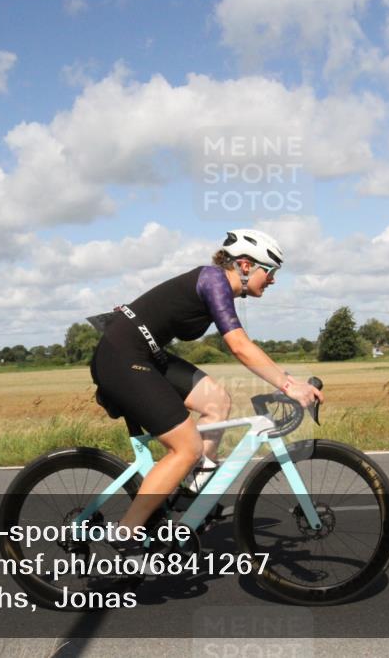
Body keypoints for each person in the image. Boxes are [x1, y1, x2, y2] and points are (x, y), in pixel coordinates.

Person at [89, 229, 324, 557]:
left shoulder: (218, 285)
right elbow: (239, 346)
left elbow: (244, 347)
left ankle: (191, 492)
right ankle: (126, 533)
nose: (273, 279)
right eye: (270, 271)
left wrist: (288, 379)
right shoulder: (214, 281)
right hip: (121, 357)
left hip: (145, 354)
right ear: (245, 265)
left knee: (217, 400)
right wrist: (288, 386)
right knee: (187, 447)